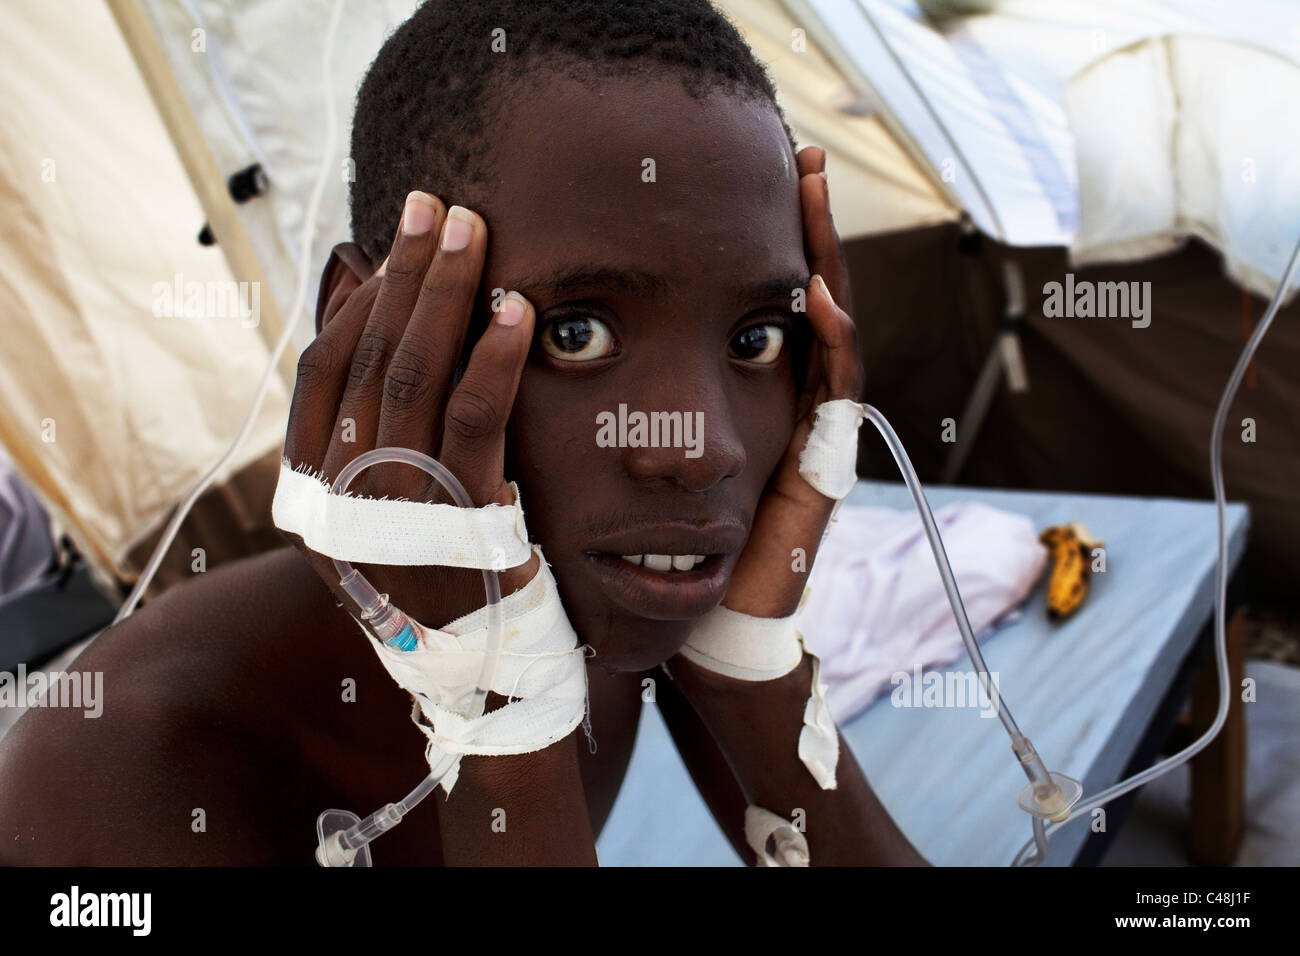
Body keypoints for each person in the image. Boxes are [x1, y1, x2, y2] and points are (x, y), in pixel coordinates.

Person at [0, 0, 926, 866]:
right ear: (365, 335)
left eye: (756, 337)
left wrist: (748, 671)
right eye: (576, 334)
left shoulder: (614, 609)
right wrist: (499, 711)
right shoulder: (113, 763)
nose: (699, 449)